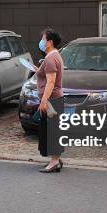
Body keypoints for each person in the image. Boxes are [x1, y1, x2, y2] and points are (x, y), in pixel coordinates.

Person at [35, 28, 65, 173]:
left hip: (52, 100)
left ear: (49, 42)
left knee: (52, 131)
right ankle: (56, 159)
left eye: (43, 39)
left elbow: (51, 82)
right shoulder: (54, 56)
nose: (41, 41)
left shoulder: (50, 58)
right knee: (53, 129)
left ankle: (54, 162)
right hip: (55, 99)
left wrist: (44, 101)